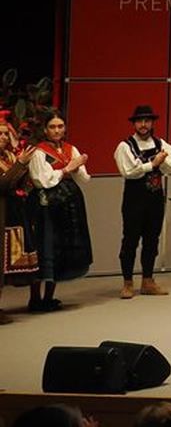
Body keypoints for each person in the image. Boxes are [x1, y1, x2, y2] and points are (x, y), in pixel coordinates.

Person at [26, 109, 91, 312]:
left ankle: (50, 297)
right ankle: (35, 298)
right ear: (45, 130)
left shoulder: (71, 149)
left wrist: (76, 167)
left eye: (60, 126)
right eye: (52, 127)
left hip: (68, 204)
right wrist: (67, 169)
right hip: (46, 205)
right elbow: (41, 180)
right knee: (44, 245)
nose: (57, 130)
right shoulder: (39, 152)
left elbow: (84, 178)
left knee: (61, 245)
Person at [114, 103, 171, 299]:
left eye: (147, 121)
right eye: (140, 121)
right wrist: (152, 164)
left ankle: (148, 280)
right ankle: (127, 282)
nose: (143, 124)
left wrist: (162, 162)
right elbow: (128, 171)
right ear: (134, 124)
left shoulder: (161, 144)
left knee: (152, 240)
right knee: (130, 240)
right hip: (134, 199)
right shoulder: (125, 146)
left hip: (155, 198)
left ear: (152, 123)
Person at [1, 107, 35, 324]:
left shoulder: (10, 156)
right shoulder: (14, 159)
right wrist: (20, 165)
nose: (4, 138)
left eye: (6, 133)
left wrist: (23, 167)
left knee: (3, 264)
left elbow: (19, 183)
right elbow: (3, 184)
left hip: (12, 213)